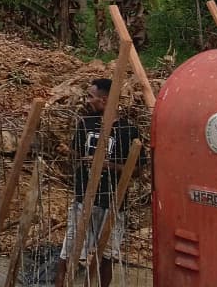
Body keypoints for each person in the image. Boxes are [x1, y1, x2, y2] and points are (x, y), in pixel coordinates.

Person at [55, 78, 140, 287]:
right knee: (69, 252)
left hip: (113, 203)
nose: (88, 101)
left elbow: (137, 170)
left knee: (107, 256)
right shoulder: (86, 123)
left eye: (91, 97)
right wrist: (71, 155)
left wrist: (106, 165)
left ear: (104, 100)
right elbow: (76, 154)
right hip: (83, 199)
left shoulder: (129, 131)